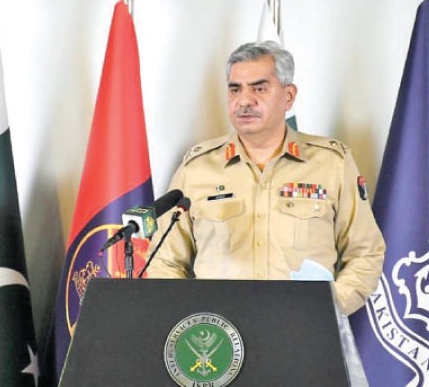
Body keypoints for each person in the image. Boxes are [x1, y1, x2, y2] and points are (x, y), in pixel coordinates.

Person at [144, 40, 385, 316]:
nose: (244, 100)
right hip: (218, 339)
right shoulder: (196, 169)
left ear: (288, 96)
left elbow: (365, 252)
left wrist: (327, 310)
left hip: (304, 334)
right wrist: (193, 319)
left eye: (259, 88)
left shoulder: (331, 164)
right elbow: (165, 260)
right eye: (235, 89)